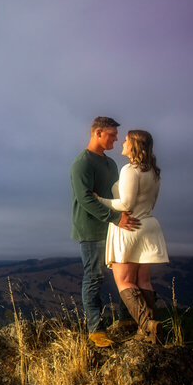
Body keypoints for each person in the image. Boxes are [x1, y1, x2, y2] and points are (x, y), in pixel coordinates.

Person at [96, 129, 169, 343]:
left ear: (135, 145)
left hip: (128, 227)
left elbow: (126, 204)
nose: (122, 144)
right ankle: (148, 331)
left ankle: (148, 326)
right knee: (143, 280)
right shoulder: (154, 172)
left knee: (124, 281)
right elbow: (151, 202)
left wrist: (100, 200)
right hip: (148, 225)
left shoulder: (130, 169)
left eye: (126, 141)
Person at [70, 116, 138, 347]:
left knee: (124, 274)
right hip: (91, 229)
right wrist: (116, 218)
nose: (116, 139)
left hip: (115, 227)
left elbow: (118, 196)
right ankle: (95, 330)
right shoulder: (83, 163)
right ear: (97, 133)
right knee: (94, 277)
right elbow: (85, 199)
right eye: (111, 134)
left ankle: (127, 321)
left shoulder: (111, 164)